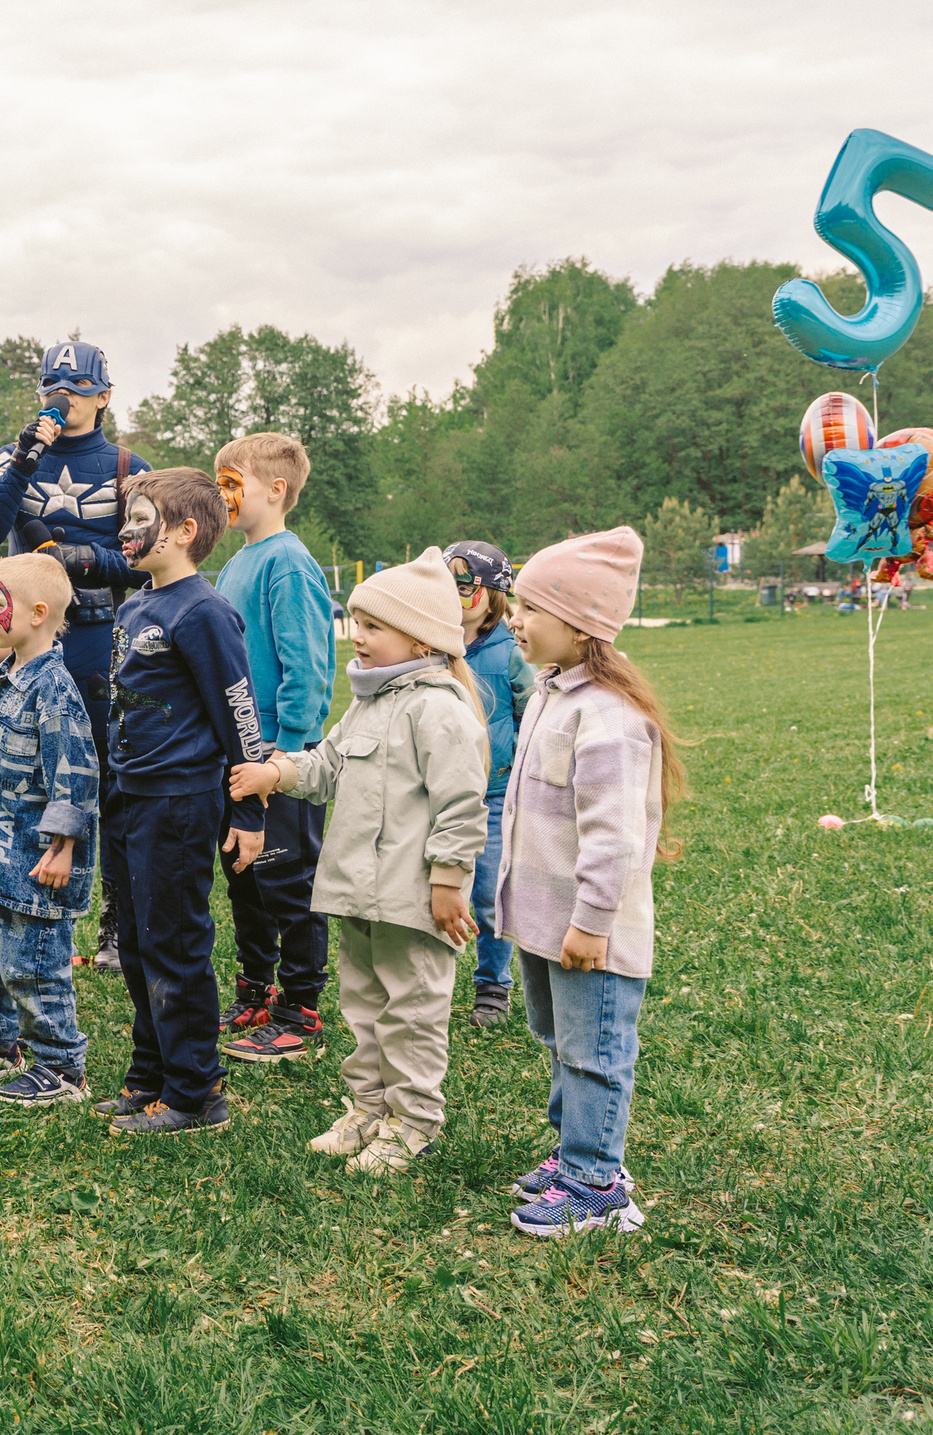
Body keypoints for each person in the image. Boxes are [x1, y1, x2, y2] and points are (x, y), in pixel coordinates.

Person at [231, 549, 487, 1172]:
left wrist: (449, 882)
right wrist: (278, 770)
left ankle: (414, 1120)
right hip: (358, 893)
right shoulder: (367, 704)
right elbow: (326, 768)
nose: (358, 636)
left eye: (374, 627)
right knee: (365, 1007)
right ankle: (368, 1108)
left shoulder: (440, 710)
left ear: (421, 637)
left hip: (412, 896)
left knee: (413, 1009)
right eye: (359, 623)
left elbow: (462, 804)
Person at [494, 527, 681, 1238]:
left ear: (580, 623)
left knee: (595, 1050)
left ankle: (597, 1184)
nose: (516, 618)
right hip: (548, 919)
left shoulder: (608, 716)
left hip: (588, 929)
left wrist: (591, 922)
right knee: (560, 1037)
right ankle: (574, 1148)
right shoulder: (554, 691)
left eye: (530, 608)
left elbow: (614, 837)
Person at [93, 470, 269, 1139]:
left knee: (175, 943)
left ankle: (197, 1091)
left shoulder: (204, 611)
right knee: (135, 943)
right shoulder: (136, 605)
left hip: (180, 801)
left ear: (185, 532)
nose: (127, 532)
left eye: (142, 519)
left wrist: (249, 812)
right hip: (129, 798)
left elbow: (239, 713)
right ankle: (150, 1074)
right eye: (127, 519)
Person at [0, 339, 147, 971]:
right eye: (52, 391)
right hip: (27, 641)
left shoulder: (128, 466)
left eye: (74, 391)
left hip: (103, 638)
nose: (62, 401)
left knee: (110, 779)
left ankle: (118, 927)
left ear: (104, 397)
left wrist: (89, 559)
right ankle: (21, 908)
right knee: (18, 774)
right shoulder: (12, 457)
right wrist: (23, 459)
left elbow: (151, 560)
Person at [0, 554, 99, 1106]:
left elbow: (74, 775)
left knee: (31, 965)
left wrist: (63, 847)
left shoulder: (54, 688)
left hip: (34, 864)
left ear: (37, 613)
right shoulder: (5, 678)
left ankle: (60, 1066)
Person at [208, 433, 338, 1063]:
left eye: (233, 483)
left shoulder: (288, 563)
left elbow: (307, 670)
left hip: (279, 762)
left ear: (276, 489)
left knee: (288, 879)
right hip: (235, 757)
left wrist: (284, 760)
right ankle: (257, 988)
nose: (222, 496)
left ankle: (300, 1006)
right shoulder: (237, 563)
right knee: (244, 874)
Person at [447, 539, 536, 1027]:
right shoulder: (433, 650)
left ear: (489, 594)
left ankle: (492, 986)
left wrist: (515, 761)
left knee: (489, 894)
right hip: (439, 796)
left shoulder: (511, 654)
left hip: (495, 797)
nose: (453, 595)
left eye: (463, 586)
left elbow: (534, 715)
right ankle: (427, 981)